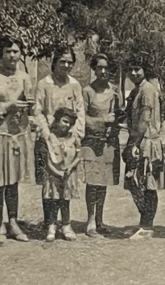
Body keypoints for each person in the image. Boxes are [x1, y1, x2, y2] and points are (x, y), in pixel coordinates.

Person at [0, 36, 33, 244]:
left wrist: (29, 106)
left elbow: (32, 106)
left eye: (15, 51)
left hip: (17, 135)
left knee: (12, 183)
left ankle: (13, 222)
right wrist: (7, 106)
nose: (12, 55)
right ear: (0, 54)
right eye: (7, 51)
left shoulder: (24, 77)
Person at [34, 46, 85, 200]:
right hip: (49, 139)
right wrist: (47, 134)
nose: (66, 65)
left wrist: (77, 135)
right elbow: (38, 111)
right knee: (48, 183)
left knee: (66, 179)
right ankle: (50, 222)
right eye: (62, 61)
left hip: (68, 140)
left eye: (70, 62)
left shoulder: (75, 85)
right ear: (55, 62)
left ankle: (65, 222)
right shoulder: (44, 84)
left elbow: (80, 111)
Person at [80, 53, 122, 236]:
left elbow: (120, 115)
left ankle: (100, 219)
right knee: (92, 182)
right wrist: (103, 120)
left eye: (106, 67)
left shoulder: (115, 91)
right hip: (91, 141)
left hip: (108, 141)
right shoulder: (87, 91)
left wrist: (115, 121)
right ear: (94, 69)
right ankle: (90, 221)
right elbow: (82, 118)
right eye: (99, 67)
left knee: (103, 182)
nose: (103, 71)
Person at [123, 57, 165, 240]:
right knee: (136, 183)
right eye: (130, 69)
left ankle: (148, 226)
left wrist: (133, 143)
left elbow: (145, 119)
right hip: (140, 140)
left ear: (144, 70)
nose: (133, 73)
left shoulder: (147, 89)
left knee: (147, 184)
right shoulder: (137, 90)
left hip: (146, 141)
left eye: (137, 68)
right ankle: (143, 223)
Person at [39, 106, 82, 242]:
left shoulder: (73, 138)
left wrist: (70, 168)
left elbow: (79, 155)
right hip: (53, 175)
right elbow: (47, 160)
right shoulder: (50, 138)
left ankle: (66, 225)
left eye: (70, 123)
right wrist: (57, 172)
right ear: (57, 120)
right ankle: (52, 225)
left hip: (68, 175)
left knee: (65, 200)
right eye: (64, 121)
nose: (67, 125)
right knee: (53, 200)